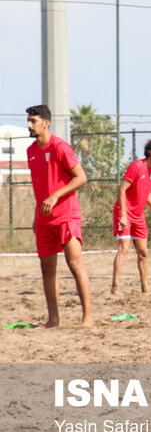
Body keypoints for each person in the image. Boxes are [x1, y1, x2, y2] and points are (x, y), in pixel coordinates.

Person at [25, 104, 93, 328]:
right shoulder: (31, 151)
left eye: (33, 121)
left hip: (66, 215)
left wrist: (55, 196)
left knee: (74, 264)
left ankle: (88, 318)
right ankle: (53, 320)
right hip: (44, 219)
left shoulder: (60, 147)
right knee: (47, 268)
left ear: (46, 123)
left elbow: (81, 177)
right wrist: (38, 212)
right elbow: (40, 186)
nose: (29, 125)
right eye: (28, 120)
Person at [111, 140, 151, 294]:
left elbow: (146, 191)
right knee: (124, 248)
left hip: (139, 215)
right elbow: (122, 189)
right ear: (150, 153)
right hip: (125, 213)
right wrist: (123, 215)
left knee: (143, 252)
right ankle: (115, 287)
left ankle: (145, 288)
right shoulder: (136, 167)